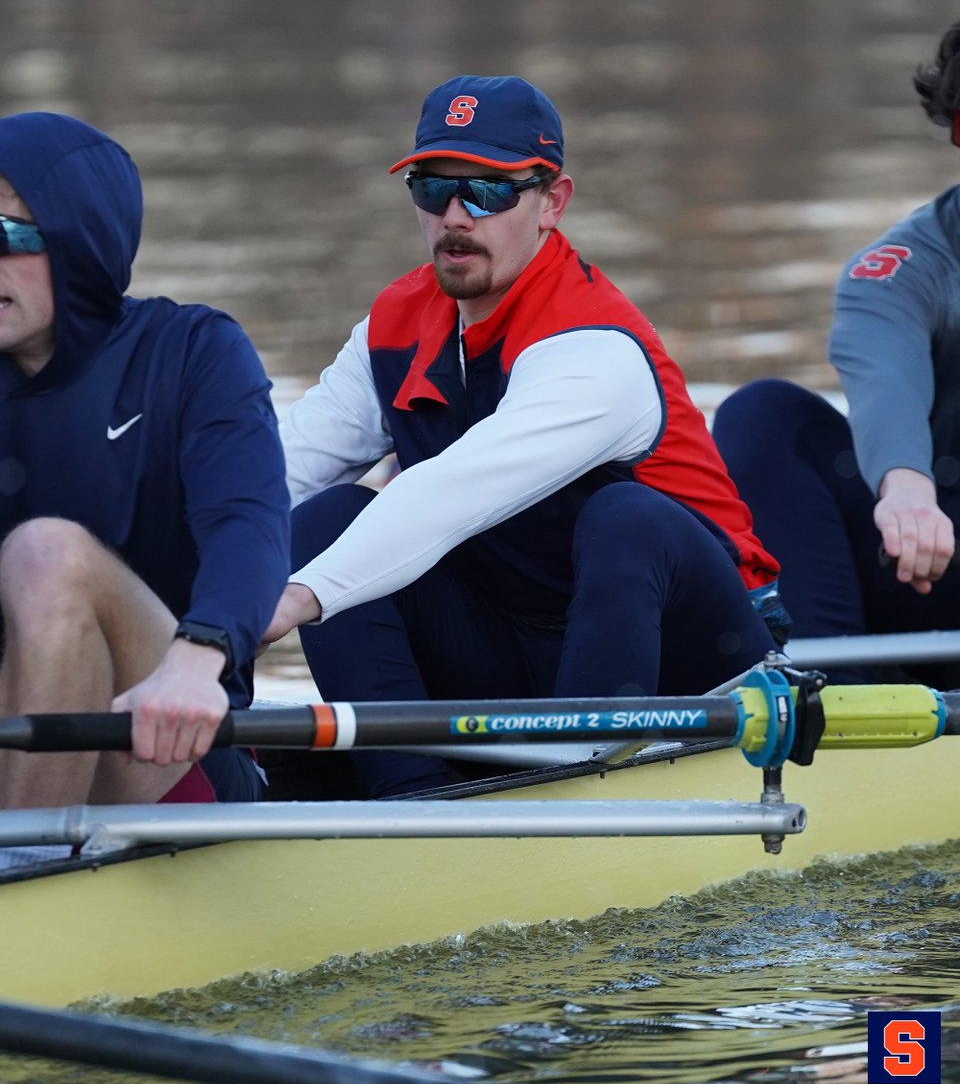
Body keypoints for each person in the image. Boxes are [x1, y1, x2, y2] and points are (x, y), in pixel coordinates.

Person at [261, 75, 783, 797]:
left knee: (626, 519)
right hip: (519, 650)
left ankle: (573, 789)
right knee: (318, 521)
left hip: (691, 664)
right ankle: (410, 803)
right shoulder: (391, 327)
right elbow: (269, 481)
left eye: (488, 192)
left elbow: (450, 493)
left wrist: (294, 598)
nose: (455, 216)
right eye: (432, 187)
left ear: (552, 203)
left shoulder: (596, 346)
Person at [0, 111, 290, 810]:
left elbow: (249, 526)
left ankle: (23, 882)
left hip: (172, 747)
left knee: (48, 554)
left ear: (82, 239)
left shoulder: (193, 353)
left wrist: (199, 657)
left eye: (7, 235)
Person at [712, 19, 960, 684]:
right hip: (933, 565)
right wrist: (905, 484)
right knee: (765, 416)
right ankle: (832, 702)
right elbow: (885, 376)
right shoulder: (901, 270)